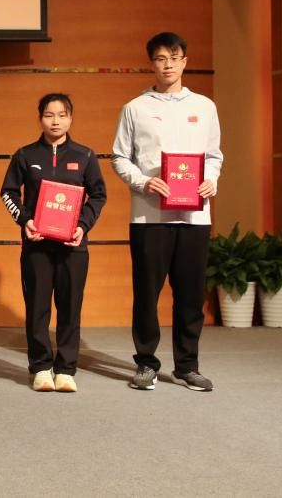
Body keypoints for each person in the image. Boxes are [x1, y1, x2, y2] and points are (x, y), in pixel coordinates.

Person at [113, 32, 223, 392]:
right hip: (149, 217)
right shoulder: (135, 107)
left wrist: (210, 180)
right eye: (161, 58)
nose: (168, 65)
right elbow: (119, 157)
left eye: (174, 58)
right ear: (152, 63)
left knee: (190, 295)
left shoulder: (204, 107)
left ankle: (187, 366)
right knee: (147, 293)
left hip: (195, 217)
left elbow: (213, 155)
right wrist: (144, 182)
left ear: (185, 61)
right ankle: (146, 363)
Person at [0, 93, 107, 392]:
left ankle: (66, 369)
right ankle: (41, 368)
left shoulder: (85, 156)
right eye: (49, 115)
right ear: (40, 119)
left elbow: (98, 195)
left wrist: (83, 225)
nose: (55, 121)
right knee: (37, 308)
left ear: (70, 118)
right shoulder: (25, 155)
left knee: (70, 307)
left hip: (73, 247)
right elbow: (8, 192)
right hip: (37, 245)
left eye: (62, 115)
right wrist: (25, 221)